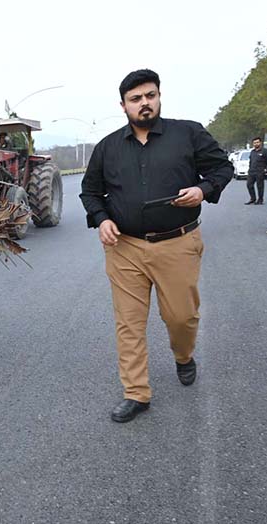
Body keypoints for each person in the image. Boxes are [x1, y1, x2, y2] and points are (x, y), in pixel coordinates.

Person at [80, 69, 232, 423]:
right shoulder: (107, 148)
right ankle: (136, 392)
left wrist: (203, 190)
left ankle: (183, 355)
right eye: (136, 99)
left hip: (177, 243)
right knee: (129, 323)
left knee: (181, 316)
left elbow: (221, 169)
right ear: (123, 106)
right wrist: (102, 219)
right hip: (125, 248)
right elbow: (90, 191)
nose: (144, 103)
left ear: (159, 96)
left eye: (150, 95)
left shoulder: (188, 134)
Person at [246, 137, 267, 205]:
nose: (256, 144)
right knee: (249, 185)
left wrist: (266, 169)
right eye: (254, 143)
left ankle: (260, 199)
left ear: (260, 143)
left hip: (260, 172)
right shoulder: (252, 152)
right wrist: (249, 169)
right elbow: (251, 161)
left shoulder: (265, 151)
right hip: (252, 172)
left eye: (257, 142)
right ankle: (253, 198)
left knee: (260, 186)